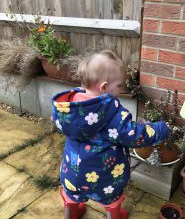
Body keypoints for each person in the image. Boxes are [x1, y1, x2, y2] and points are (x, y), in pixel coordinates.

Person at [51, 50, 170, 219]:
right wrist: (160, 129)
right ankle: (114, 216)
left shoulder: (69, 107)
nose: (122, 89)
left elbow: (56, 121)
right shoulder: (112, 114)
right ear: (104, 87)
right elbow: (135, 135)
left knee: (71, 195)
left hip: (71, 171)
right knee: (111, 199)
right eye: (119, 85)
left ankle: (71, 213)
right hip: (103, 176)